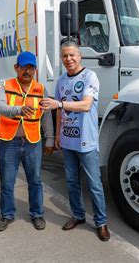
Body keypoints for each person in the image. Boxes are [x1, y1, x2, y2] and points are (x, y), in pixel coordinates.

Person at [41, 41, 110, 242]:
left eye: (72, 55)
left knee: (94, 183)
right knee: (72, 182)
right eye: (64, 56)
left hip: (86, 141)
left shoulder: (90, 76)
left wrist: (60, 103)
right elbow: (59, 112)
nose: (69, 59)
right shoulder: (61, 81)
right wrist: (58, 137)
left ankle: (101, 222)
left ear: (79, 56)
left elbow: (87, 105)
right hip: (68, 142)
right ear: (61, 59)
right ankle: (78, 215)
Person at [0, 51, 54, 232]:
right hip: (9, 141)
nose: (28, 71)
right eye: (24, 67)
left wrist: (50, 139)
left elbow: (47, 116)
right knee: (7, 181)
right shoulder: (4, 85)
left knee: (35, 181)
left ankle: (37, 214)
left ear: (35, 69)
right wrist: (19, 110)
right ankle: (7, 215)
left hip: (32, 141)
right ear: (16, 68)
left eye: (31, 67)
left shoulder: (41, 89)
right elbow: (0, 107)